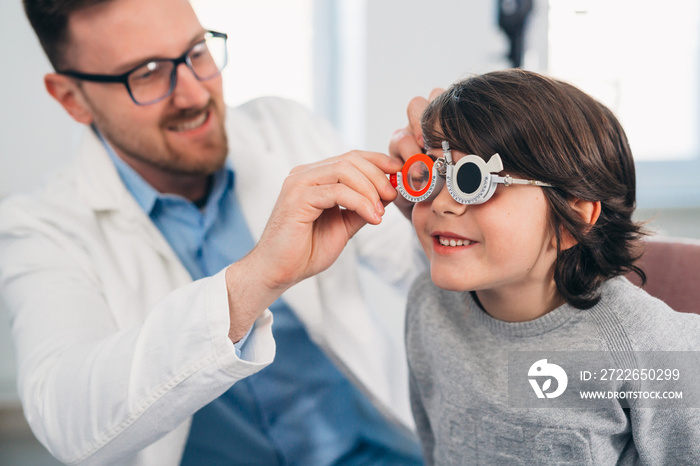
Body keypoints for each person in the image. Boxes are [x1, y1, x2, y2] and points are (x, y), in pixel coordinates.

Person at [0, 0, 427, 464]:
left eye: (197, 51)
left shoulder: (286, 130)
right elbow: (66, 418)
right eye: (146, 73)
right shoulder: (39, 230)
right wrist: (253, 281)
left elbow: (420, 268)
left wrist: (445, 208)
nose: (193, 94)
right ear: (71, 98)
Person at [398, 69, 700, 464]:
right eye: (434, 172)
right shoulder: (428, 304)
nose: (441, 203)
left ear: (571, 219)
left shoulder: (648, 344)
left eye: (473, 179)